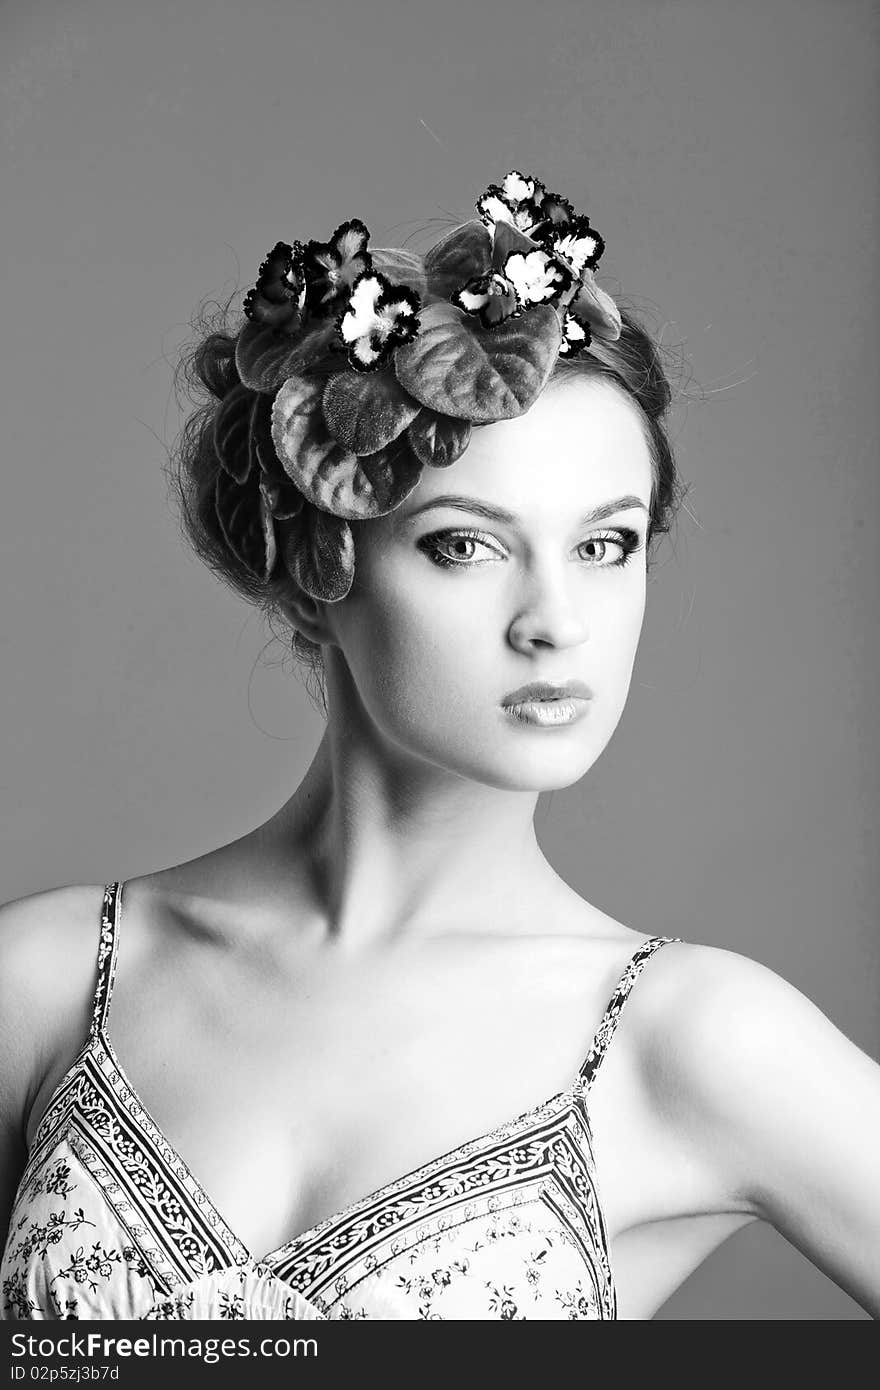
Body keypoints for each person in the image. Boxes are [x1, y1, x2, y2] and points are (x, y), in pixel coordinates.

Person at [1, 170, 877, 1322]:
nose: (554, 620)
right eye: (467, 546)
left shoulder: (689, 1039)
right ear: (312, 569)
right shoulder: (51, 980)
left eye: (606, 546)